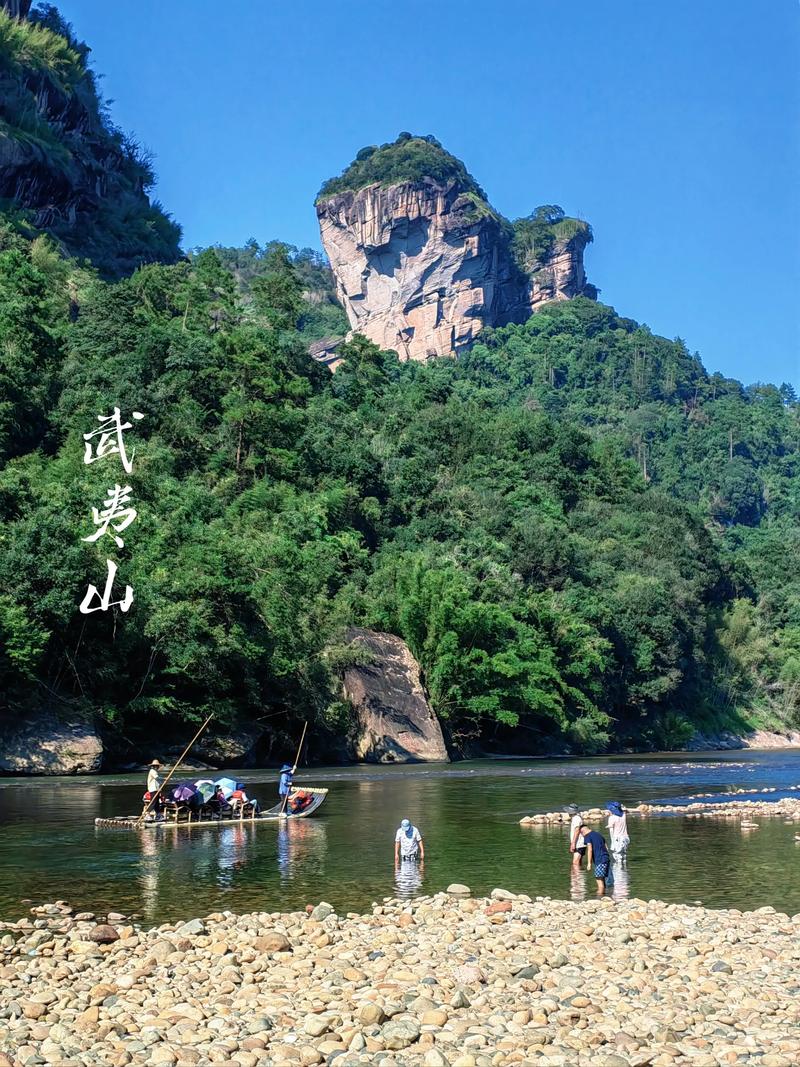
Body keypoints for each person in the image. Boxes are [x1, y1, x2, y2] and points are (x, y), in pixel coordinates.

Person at [581, 823, 612, 897]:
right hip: (606, 858)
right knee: (602, 878)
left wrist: (589, 863)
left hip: (599, 859)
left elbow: (590, 849)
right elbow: (606, 847)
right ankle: (605, 895)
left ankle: (599, 897)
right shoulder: (598, 834)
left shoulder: (587, 836)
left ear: (582, 831)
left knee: (598, 879)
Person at [566, 804, 586, 869]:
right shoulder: (576, 818)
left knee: (575, 863)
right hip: (579, 843)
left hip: (579, 843)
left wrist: (573, 843)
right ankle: (578, 877)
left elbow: (577, 830)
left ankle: (576, 878)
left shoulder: (576, 818)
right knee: (578, 862)